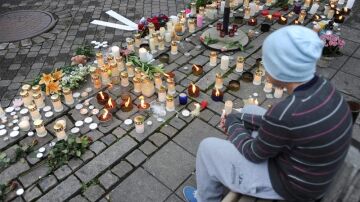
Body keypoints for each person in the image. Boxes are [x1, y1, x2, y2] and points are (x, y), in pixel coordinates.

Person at [183, 26, 353, 202]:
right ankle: (228, 164)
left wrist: (232, 125)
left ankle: (205, 198)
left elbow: (253, 153)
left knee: (207, 147)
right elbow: (276, 124)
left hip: (292, 185)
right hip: (311, 169)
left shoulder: (287, 112)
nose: (264, 69)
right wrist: (240, 117)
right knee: (249, 110)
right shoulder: (325, 87)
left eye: (267, 63)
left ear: (280, 69)